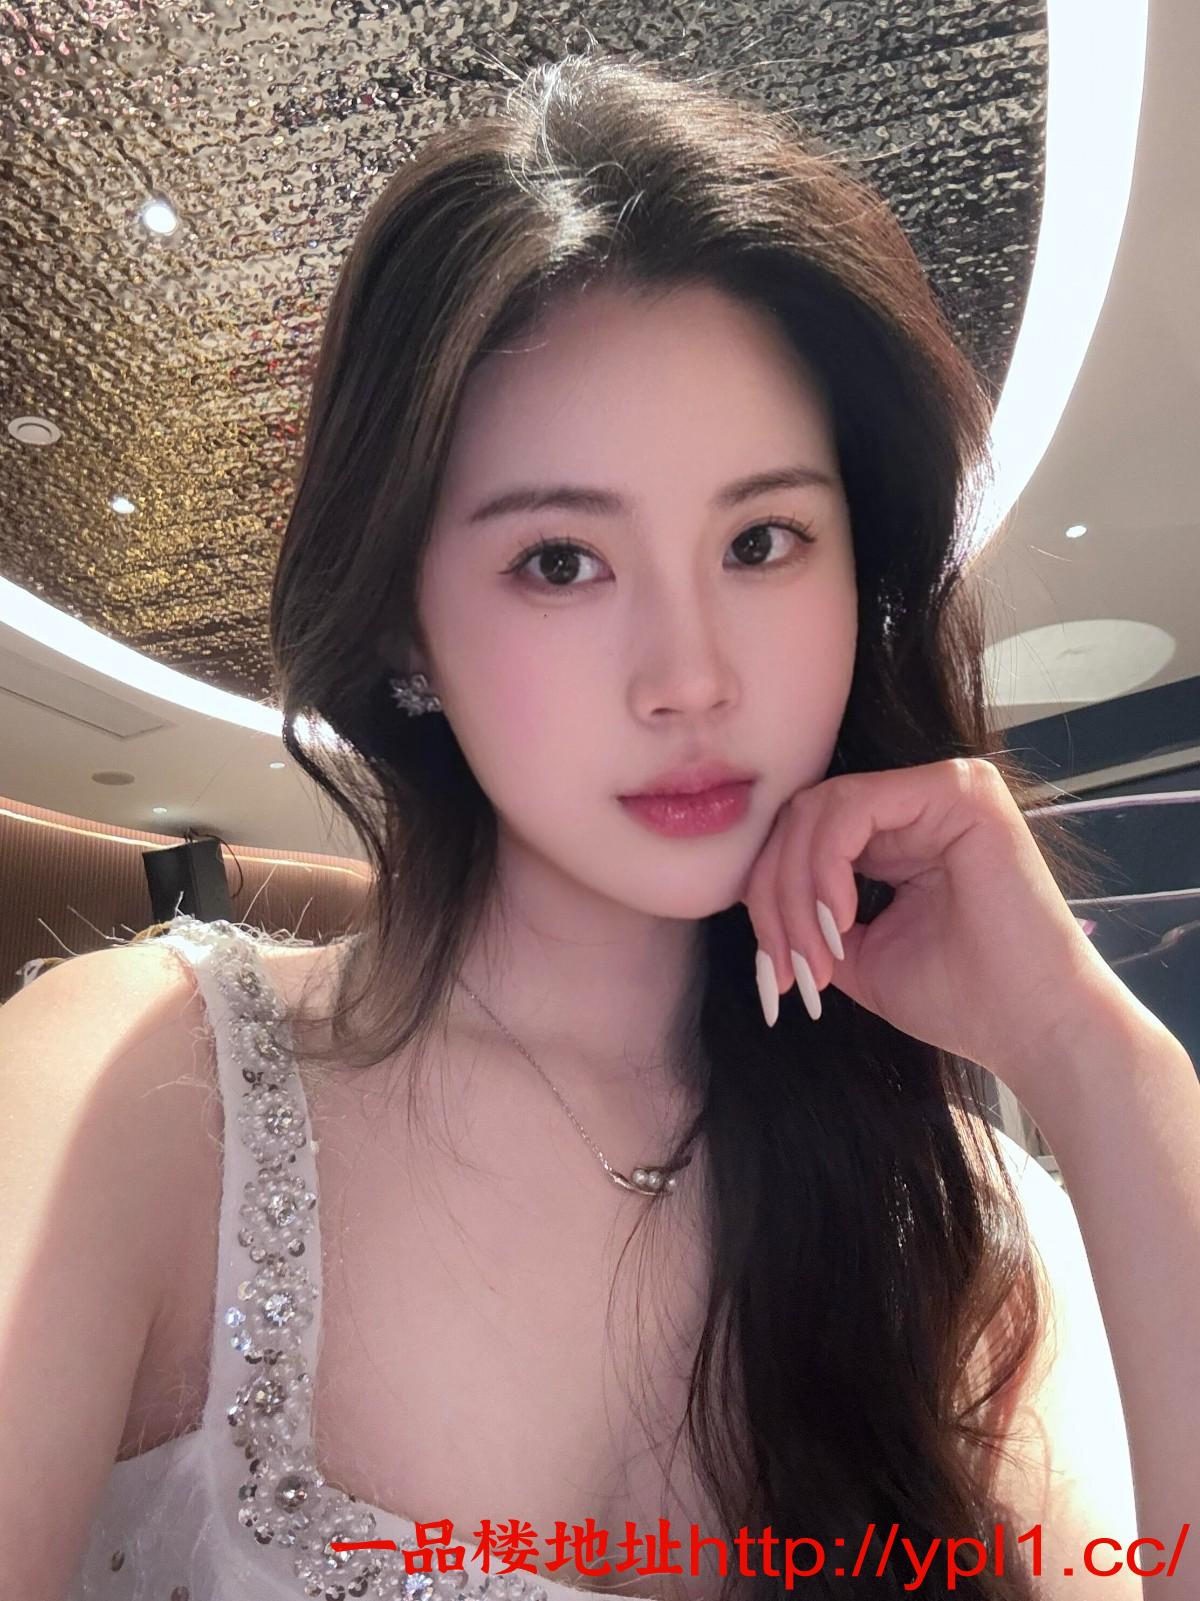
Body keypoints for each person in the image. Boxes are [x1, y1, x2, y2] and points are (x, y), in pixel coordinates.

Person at [2, 48, 1196, 1601]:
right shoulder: (147, 1097)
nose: (689, 677)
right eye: (561, 561)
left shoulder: (953, 1219)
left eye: (762, 540)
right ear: (407, 622)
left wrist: (1100, 1061)